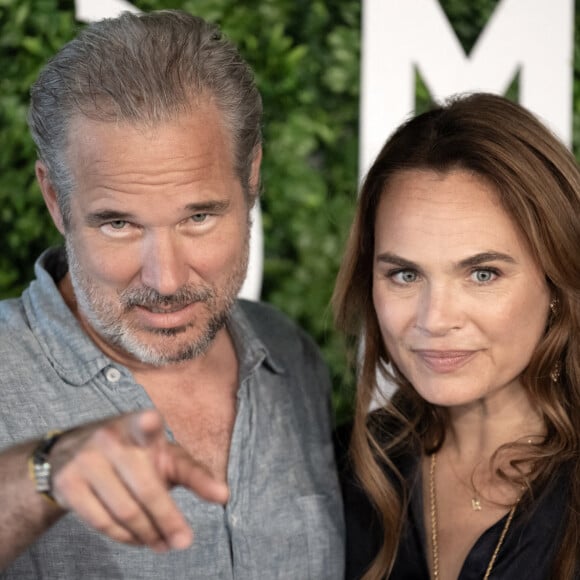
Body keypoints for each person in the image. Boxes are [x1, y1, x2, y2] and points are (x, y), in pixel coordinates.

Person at [0, 9, 344, 578]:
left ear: (252, 177)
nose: (166, 280)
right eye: (119, 225)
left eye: (199, 217)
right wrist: (40, 472)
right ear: (55, 200)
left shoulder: (291, 355)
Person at [333, 92, 580, 579]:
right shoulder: (347, 471)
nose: (435, 319)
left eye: (482, 274)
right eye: (405, 275)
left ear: (556, 281)